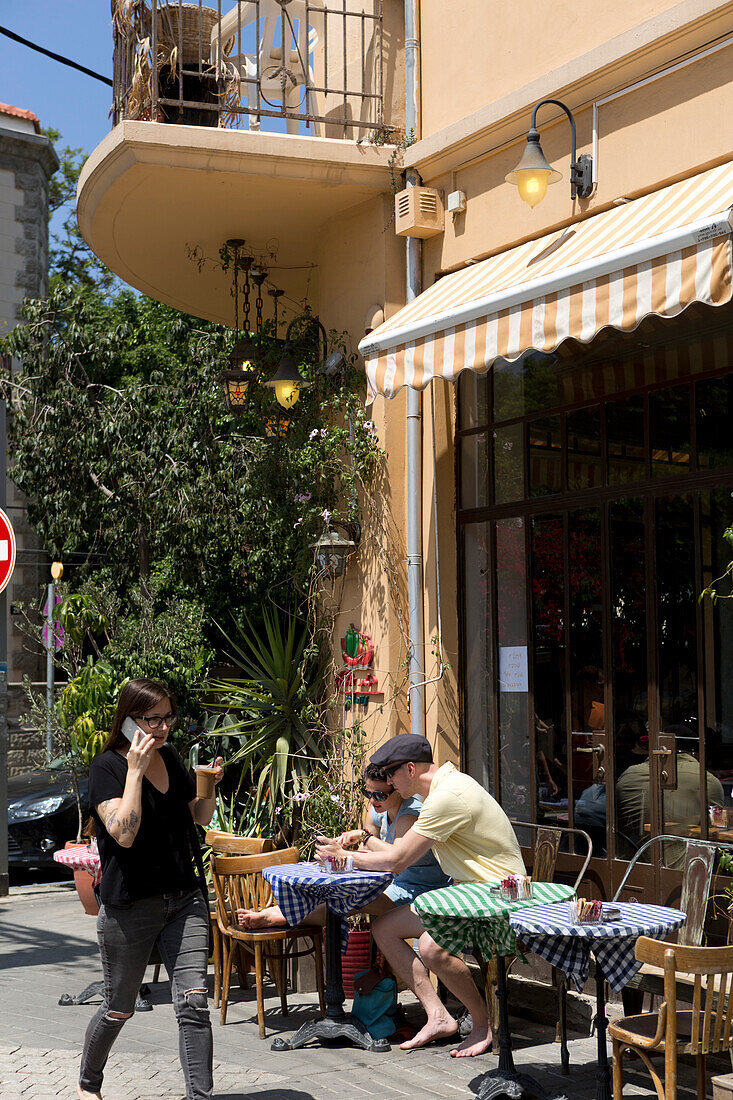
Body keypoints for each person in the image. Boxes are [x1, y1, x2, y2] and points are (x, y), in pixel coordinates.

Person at [316, 734, 525, 1058]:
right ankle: (438, 1015)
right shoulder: (442, 791)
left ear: (410, 769)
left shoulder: (447, 797)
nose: (387, 782)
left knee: (430, 944)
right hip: (470, 890)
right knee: (385, 927)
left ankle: (484, 1023)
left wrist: (342, 857)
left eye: (390, 774)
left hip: (500, 893)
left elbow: (397, 860)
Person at [77, 678, 223, 1100]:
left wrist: (207, 783)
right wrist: (135, 772)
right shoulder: (106, 768)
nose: (161, 728)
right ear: (127, 720)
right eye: (151, 718)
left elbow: (196, 817)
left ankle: (201, 1096)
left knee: (194, 1004)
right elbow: (123, 833)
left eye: (167, 718)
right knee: (118, 1007)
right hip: (129, 907)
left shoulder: (171, 757)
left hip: (184, 900)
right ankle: (89, 1080)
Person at [236, 762, 450, 929]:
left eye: (380, 795)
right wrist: (341, 854)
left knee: (350, 900)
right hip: (392, 884)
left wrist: (363, 838)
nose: (373, 800)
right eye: (368, 793)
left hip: (421, 890)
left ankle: (277, 917)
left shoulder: (409, 815)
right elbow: (366, 855)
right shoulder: (379, 810)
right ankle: (277, 913)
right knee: (340, 894)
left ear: (397, 788)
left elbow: (397, 857)